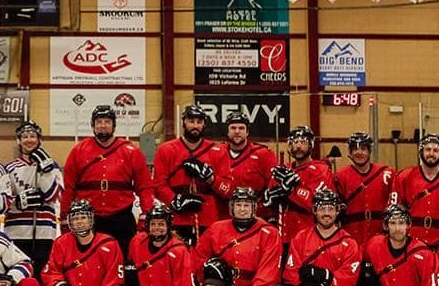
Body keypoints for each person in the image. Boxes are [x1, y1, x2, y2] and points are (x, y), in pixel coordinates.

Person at [61, 105, 153, 258]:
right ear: (92, 125)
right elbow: (69, 188)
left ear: (114, 125)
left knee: (125, 259)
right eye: (99, 122)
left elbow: (144, 187)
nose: (103, 125)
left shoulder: (131, 151)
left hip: (121, 218)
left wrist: (146, 215)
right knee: (89, 260)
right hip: (89, 218)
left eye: (107, 121)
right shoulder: (78, 151)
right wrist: (65, 218)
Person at [2, 120, 63, 286]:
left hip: (44, 232)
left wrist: (46, 169)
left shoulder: (52, 166)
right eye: (24, 136)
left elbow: (53, 195)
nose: (28, 140)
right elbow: (3, 201)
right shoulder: (9, 168)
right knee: (14, 277)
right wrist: (20, 201)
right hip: (16, 232)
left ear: (39, 139)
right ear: (19, 140)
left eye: (32, 136)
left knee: (38, 279)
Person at [152, 104, 233, 246]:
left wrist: (211, 179)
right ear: (183, 122)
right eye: (191, 121)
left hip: (208, 216)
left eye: (199, 122)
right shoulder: (166, 149)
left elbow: (228, 190)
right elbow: (158, 184)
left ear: (204, 124)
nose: (195, 125)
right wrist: (174, 200)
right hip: (176, 217)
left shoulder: (218, 151)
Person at [261, 126, 333, 249]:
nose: (298, 146)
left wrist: (293, 190)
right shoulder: (283, 170)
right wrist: (269, 197)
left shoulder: (320, 169)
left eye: (303, 142)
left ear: (311, 145)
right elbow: (268, 199)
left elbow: (315, 203)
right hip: (282, 234)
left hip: (309, 235)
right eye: (295, 142)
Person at [393, 134, 439, 250]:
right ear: (420, 152)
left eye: (435, 150)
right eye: (428, 149)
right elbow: (394, 211)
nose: (431, 153)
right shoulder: (404, 177)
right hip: (411, 243)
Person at [333, 132, 395, 248]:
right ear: (350, 152)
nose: (359, 153)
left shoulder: (386, 173)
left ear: (369, 151)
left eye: (363, 149)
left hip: (381, 235)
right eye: (355, 149)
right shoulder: (340, 176)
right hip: (351, 235)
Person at [223, 114, 279, 222]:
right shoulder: (217, 153)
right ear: (227, 131)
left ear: (247, 132)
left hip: (256, 217)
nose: (237, 131)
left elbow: (273, 186)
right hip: (224, 217)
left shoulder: (264, 154)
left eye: (241, 128)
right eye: (233, 128)